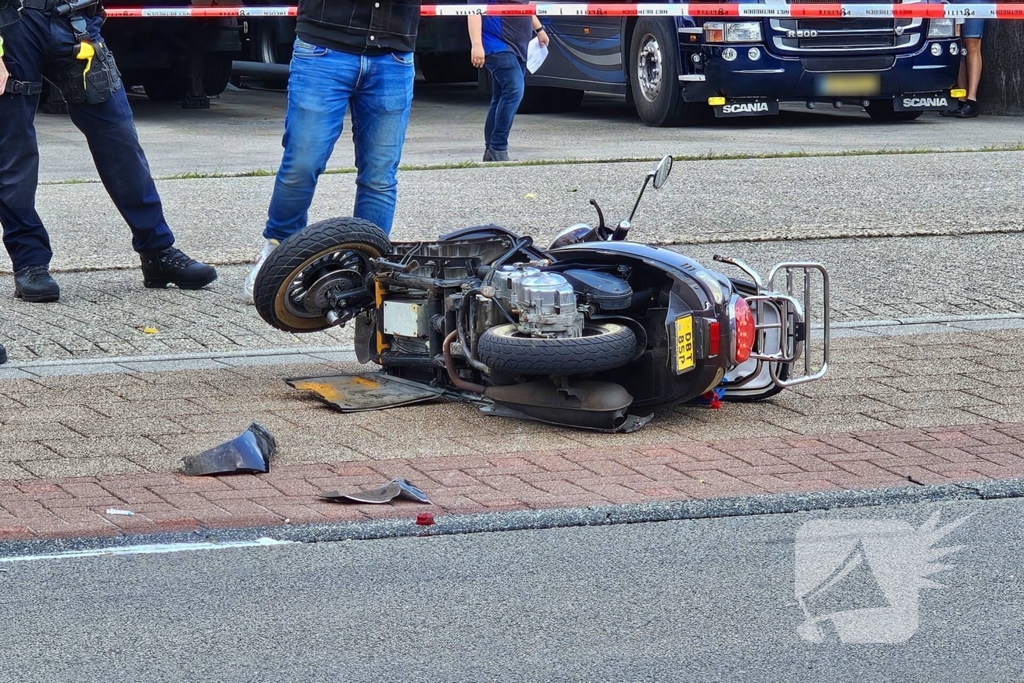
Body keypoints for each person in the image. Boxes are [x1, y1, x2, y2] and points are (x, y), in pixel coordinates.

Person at [0, 0, 217, 303]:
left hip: (74, 19)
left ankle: (157, 251)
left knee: (119, 140)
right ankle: (30, 262)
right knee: (12, 151)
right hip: (12, 23)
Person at [243, 0, 421, 304]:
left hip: (393, 51)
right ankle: (278, 254)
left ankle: (370, 267)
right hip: (324, 46)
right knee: (302, 162)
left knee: (380, 174)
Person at [468, 1, 549, 162]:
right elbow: (473, 10)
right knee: (514, 91)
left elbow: (524, 5)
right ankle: (498, 147)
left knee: (500, 97)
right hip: (496, 45)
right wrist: (476, 45)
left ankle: (492, 150)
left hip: (518, 47)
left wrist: (539, 29)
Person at [944, 16, 985, 118]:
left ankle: (972, 99)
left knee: (972, 42)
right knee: (957, 44)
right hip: (953, 3)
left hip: (974, 3)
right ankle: (961, 98)